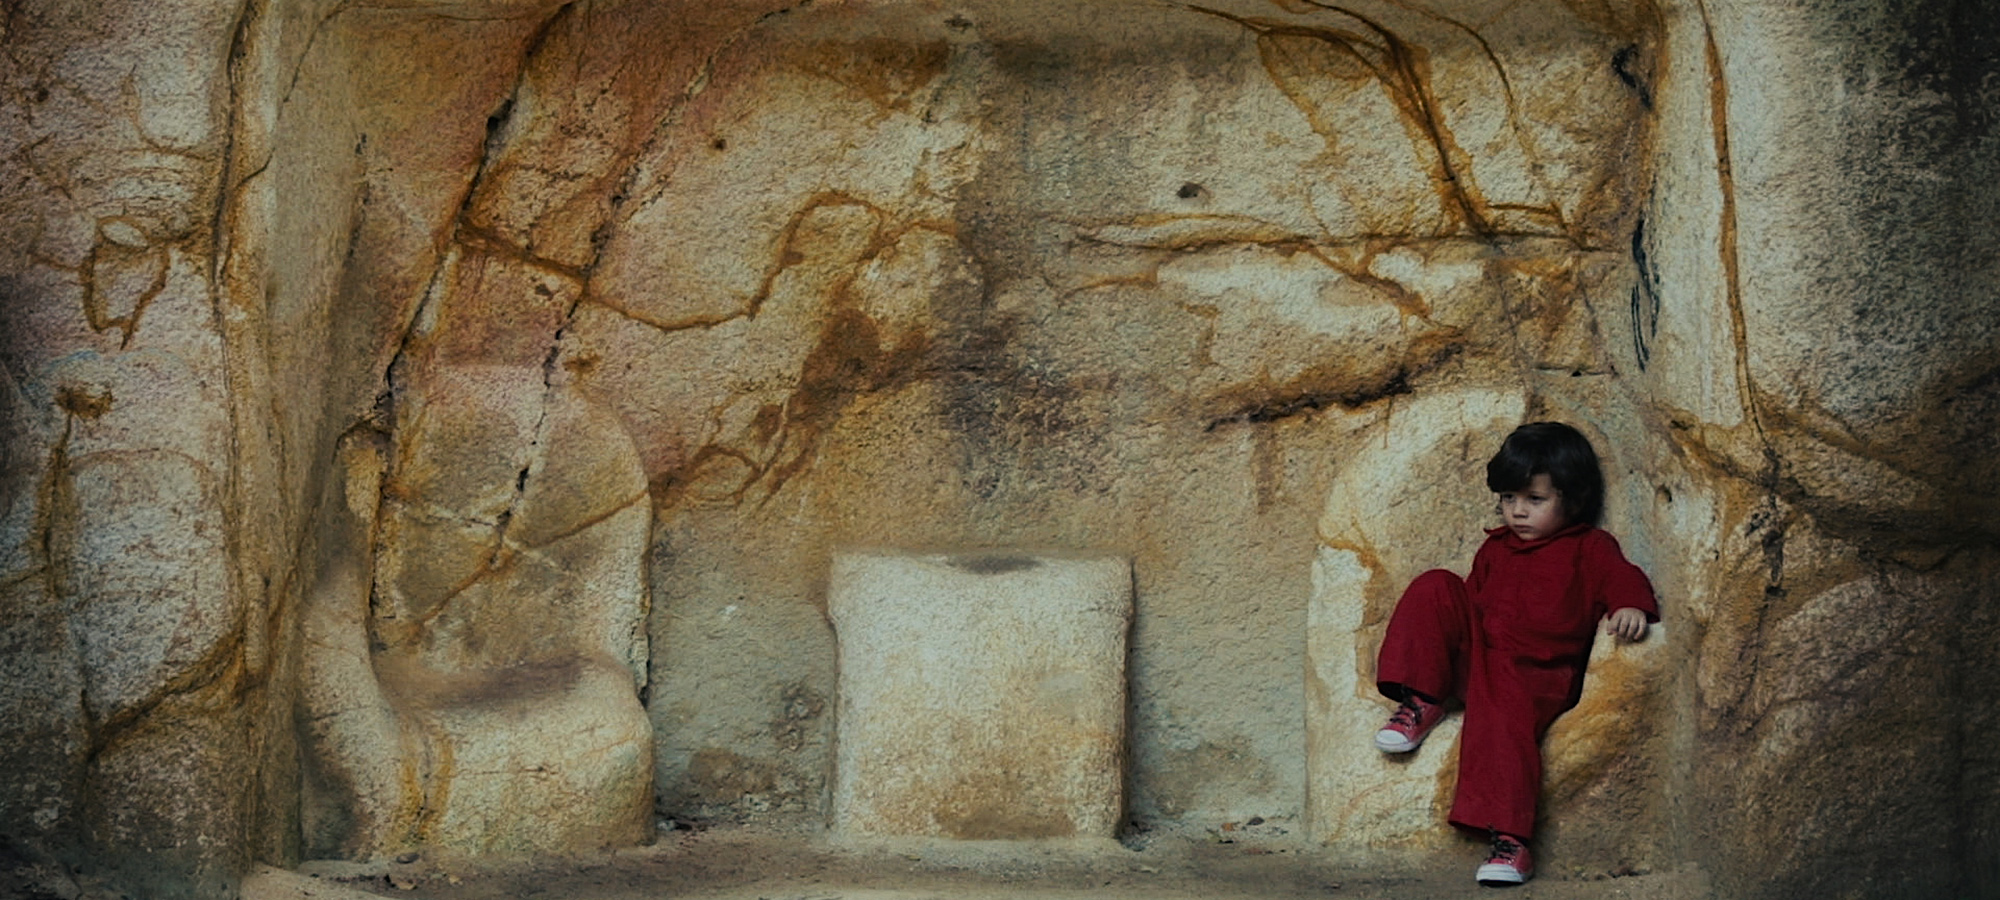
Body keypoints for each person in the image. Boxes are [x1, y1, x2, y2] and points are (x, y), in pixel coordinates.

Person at [1371, 421, 1658, 886]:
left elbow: (1623, 578)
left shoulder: (1590, 547)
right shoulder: (1494, 548)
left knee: (1501, 701)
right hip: (1484, 659)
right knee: (1436, 585)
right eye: (1509, 499)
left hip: (1537, 675)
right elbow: (1464, 610)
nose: (1518, 512)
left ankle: (1511, 843)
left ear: (1574, 498)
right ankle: (1423, 700)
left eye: (1534, 500)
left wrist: (1631, 606)